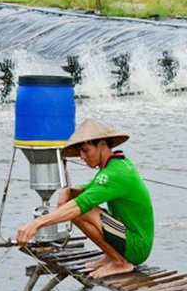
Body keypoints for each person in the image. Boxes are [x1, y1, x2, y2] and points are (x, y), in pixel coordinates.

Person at [16, 118, 154, 279]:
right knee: (77, 204)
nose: (81, 156)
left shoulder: (114, 174)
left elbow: (80, 205)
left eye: (85, 150)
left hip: (137, 246)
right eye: (80, 152)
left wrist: (36, 223)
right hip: (130, 238)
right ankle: (112, 256)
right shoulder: (116, 164)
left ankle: (120, 262)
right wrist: (67, 191)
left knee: (80, 210)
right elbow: (86, 191)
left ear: (102, 146)